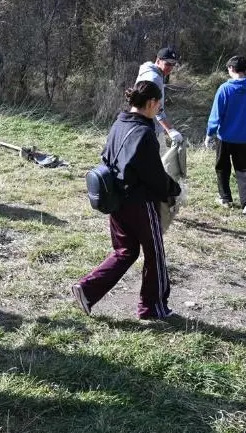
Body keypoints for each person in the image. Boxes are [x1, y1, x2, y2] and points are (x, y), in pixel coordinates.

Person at [72, 81, 181, 320]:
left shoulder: (118, 124)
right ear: (151, 103)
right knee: (155, 255)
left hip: (117, 201)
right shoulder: (144, 133)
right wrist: (174, 189)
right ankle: (152, 308)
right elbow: (154, 176)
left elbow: (107, 157)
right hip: (141, 205)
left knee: (125, 251)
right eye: (159, 106)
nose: (158, 110)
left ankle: (87, 290)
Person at [207, 55, 246, 217]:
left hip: (224, 137)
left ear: (231, 69)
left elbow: (216, 114)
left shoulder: (224, 89)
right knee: (245, 170)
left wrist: (210, 133)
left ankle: (225, 198)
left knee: (222, 167)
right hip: (244, 138)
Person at [136, 46, 183, 146]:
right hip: (150, 128)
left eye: (173, 64)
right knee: (159, 159)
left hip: (140, 124)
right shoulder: (154, 78)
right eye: (167, 64)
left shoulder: (148, 71)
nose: (170, 68)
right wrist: (170, 130)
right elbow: (156, 108)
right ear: (158, 61)